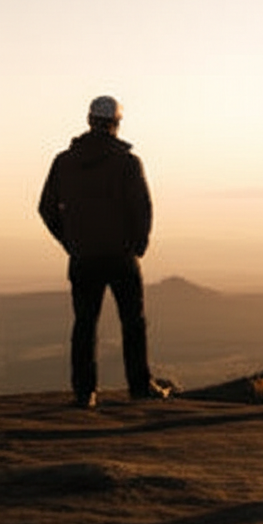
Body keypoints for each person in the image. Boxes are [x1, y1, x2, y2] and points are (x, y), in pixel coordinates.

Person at [39, 96, 168, 407]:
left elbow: (46, 208)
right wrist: (138, 245)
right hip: (122, 256)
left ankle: (84, 393)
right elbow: (142, 208)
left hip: (83, 258)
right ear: (117, 123)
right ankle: (139, 386)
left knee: (84, 324)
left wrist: (71, 242)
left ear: (89, 120)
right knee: (133, 322)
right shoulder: (126, 162)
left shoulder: (64, 161)